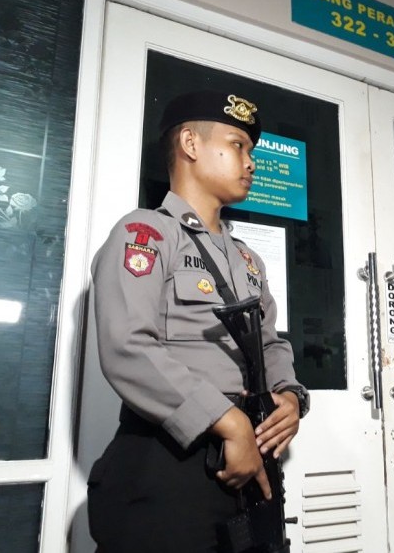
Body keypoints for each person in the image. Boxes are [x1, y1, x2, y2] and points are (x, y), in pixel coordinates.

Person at [87, 91, 309, 552]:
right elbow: (128, 346)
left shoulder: (247, 259)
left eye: (252, 152)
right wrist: (228, 422)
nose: (251, 163)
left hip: (251, 460)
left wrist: (289, 395)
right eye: (238, 146)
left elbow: (269, 342)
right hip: (171, 457)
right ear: (190, 143)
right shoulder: (146, 233)